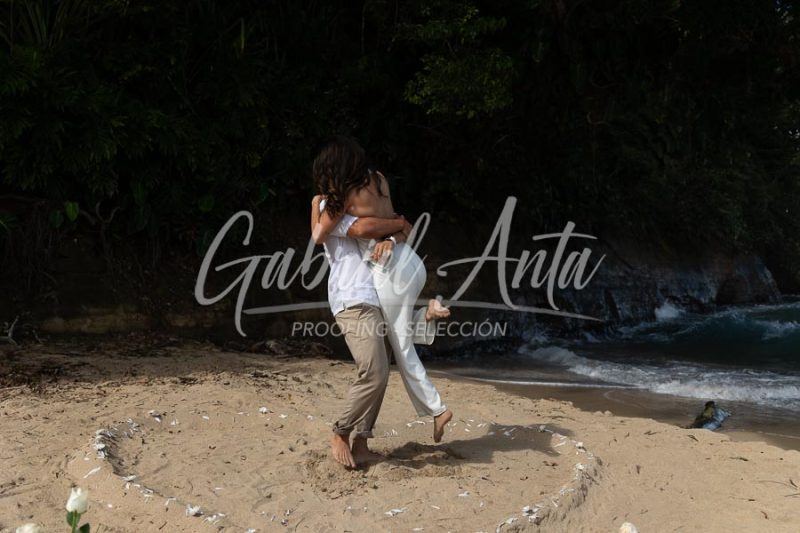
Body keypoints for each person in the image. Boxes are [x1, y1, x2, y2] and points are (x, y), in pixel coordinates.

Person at [311, 137, 453, 456]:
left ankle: (365, 437)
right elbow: (349, 230)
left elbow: (370, 227)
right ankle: (346, 434)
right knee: (380, 367)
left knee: (390, 358)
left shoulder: (345, 198)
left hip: (382, 282)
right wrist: (397, 225)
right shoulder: (335, 202)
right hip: (369, 286)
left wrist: (391, 231)